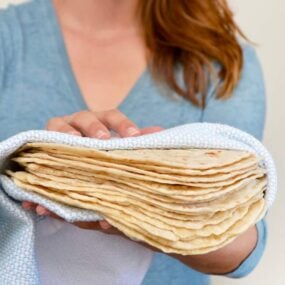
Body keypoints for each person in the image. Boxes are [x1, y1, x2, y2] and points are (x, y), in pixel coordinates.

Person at [0, 0, 267, 284]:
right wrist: (31, 159)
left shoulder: (218, 58)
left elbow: (244, 248)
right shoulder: (9, 37)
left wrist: (145, 210)